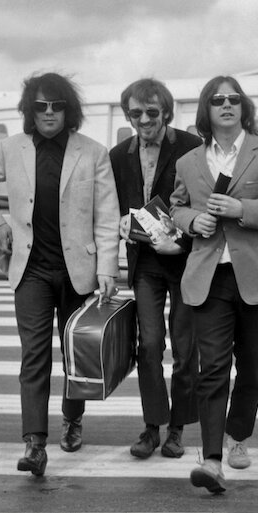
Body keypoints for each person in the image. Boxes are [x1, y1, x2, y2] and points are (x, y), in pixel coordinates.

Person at [0, 72, 120, 477]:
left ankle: (73, 418)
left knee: (75, 355)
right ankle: (35, 443)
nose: (49, 112)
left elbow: (107, 216)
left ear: (69, 110)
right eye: (40, 106)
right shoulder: (10, 148)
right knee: (33, 356)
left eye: (57, 105)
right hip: (30, 270)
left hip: (78, 272)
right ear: (29, 111)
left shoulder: (93, 152)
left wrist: (108, 267)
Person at [169, 76, 258, 493]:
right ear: (206, 110)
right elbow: (176, 207)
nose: (226, 105)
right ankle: (211, 461)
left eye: (233, 98)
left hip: (255, 275)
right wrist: (194, 220)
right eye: (217, 100)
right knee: (212, 369)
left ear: (244, 107)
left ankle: (238, 435)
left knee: (251, 367)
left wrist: (241, 208)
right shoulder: (189, 162)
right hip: (209, 276)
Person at [109, 78, 204, 460]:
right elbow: (112, 204)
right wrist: (120, 221)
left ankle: (177, 428)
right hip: (144, 261)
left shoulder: (191, 146)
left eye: (152, 112)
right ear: (127, 115)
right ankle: (152, 426)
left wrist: (183, 242)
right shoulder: (119, 155)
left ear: (166, 111)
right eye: (136, 113)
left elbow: (203, 203)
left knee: (185, 347)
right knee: (148, 346)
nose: (144, 120)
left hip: (185, 259)